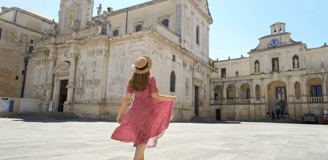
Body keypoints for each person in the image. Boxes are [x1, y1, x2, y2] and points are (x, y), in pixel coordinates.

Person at [111, 56, 177, 160]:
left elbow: (127, 98)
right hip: (148, 113)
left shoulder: (131, 81)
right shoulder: (150, 79)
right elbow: (156, 96)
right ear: (147, 68)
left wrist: (120, 113)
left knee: (139, 140)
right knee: (143, 140)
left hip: (134, 113)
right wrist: (171, 98)